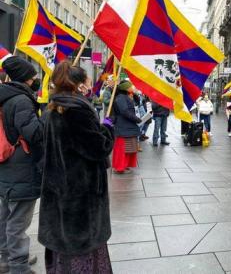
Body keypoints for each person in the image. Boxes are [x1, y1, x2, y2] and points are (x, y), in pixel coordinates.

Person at [39, 61, 114, 274]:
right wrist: (107, 130)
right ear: (78, 85)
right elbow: (99, 148)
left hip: (58, 188)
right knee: (82, 248)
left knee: (63, 244)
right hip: (81, 193)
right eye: (86, 82)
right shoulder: (78, 110)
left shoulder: (52, 108)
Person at [0, 57, 43, 274]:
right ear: (25, 77)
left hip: (5, 163)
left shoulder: (4, 95)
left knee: (6, 214)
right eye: (34, 76)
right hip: (21, 166)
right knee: (18, 220)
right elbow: (33, 133)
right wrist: (46, 119)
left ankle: (5, 259)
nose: (36, 79)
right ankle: (19, 266)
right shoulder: (21, 100)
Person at [112, 80, 141, 174]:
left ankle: (125, 165)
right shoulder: (120, 98)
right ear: (126, 88)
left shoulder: (126, 96)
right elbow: (124, 111)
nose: (133, 87)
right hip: (123, 126)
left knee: (129, 148)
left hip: (128, 126)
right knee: (122, 149)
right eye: (131, 86)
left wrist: (135, 95)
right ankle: (120, 167)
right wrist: (136, 119)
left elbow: (137, 103)